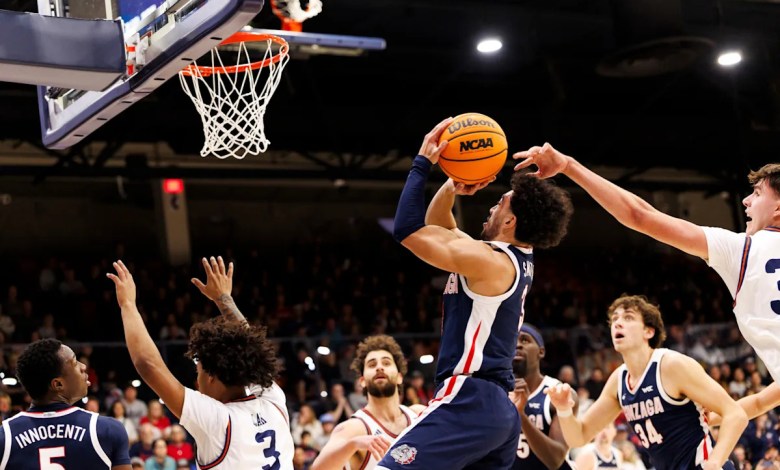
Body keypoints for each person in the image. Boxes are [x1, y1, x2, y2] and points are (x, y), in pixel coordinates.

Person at [515, 144, 780, 418]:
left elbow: (639, 215)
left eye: (757, 193)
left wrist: (569, 166)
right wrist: (722, 414)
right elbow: (762, 401)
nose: (746, 200)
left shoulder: (742, 250)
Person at [383, 117, 573, 469]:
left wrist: (422, 162)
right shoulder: (505, 259)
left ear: (511, 221)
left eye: (500, 204)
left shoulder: (490, 262)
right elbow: (440, 224)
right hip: (496, 410)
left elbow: (408, 229)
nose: (491, 207)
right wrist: (453, 183)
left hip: (470, 398)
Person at [107, 257, 294, 470]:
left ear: (212, 376)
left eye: (199, 372)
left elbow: (148, 365)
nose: (197, 382)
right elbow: (251, 348)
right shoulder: (273, 400)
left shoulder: (217, 421)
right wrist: (224, 298)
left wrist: (128, 305)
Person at [545, 295, 747, 470]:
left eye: (628, 317)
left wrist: (715, 462)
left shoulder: (671, 366)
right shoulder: (618, 381)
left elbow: (735, 414)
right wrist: (563, 410)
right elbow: (579, 437)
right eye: (614, 319)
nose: (618, 323)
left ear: (648, 331)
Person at [0, 338, 131, 469]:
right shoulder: (107, 430)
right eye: (74, 362)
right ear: (58, 384)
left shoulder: (5, 437)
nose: (83, 366)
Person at [311, 335, 426, 470]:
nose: (379, 367)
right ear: (362, 381)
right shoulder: (354, 428)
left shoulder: (419, 415)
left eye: (386, 363)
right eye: (372, 365)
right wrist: (351, 445)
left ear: (399, 377)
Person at [510, 324, 577, 470]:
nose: (517, 345)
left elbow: (555, 460)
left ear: (541, 352)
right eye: (513, 340)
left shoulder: (559, 393)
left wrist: (520, 415)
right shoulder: (497, 393)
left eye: (525, 340)